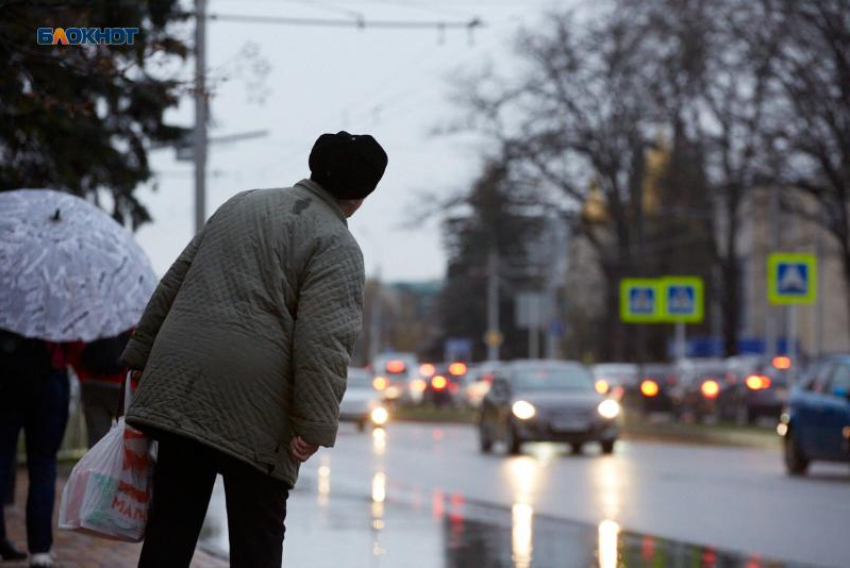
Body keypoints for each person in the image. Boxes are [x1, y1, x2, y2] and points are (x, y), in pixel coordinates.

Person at [120, 132, 387, 568]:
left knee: (170, 529)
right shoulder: (337, 245)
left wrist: (140, 355)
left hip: (181, 384)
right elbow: (324, 341)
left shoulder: (242, 203)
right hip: (256, 407)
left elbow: (174, 281)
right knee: (257, 538)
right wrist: (313, 423)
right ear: (362, 195)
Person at [0, 330, 71, 567]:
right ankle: (40, 549)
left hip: (6, 373)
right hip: (50, 374)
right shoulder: (59, 296)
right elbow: (77, 341)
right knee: (43, 465)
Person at [66, 331, 133, 447]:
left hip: (91, 384)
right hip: (121, 385)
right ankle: (125, 464)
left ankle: (98, 465)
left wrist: (82, 375)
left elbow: (74, 349)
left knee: (97, 440)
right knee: (128, 437)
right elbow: (137, 350)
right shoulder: (126, 318)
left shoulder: (89, 317)